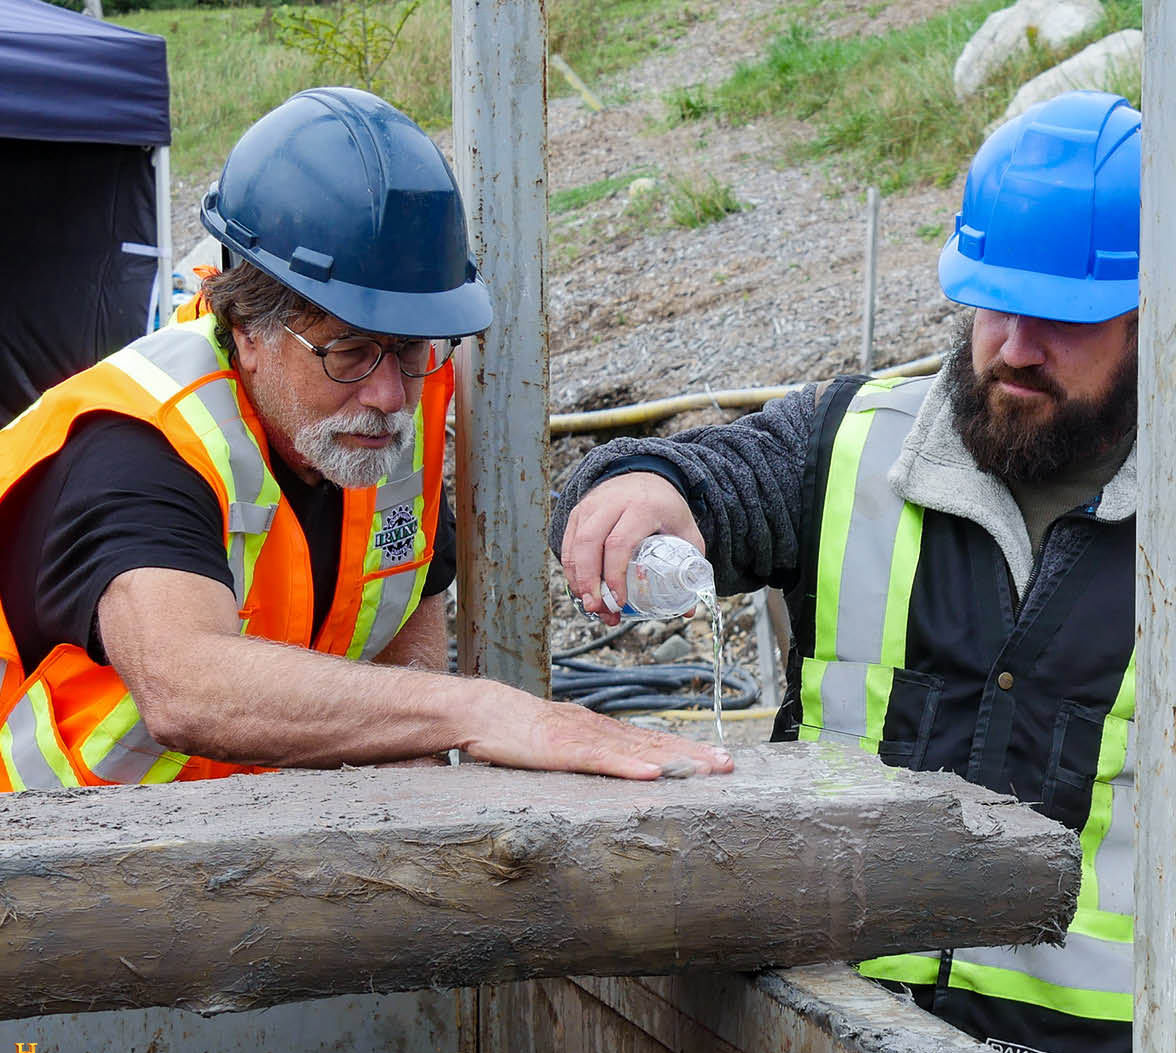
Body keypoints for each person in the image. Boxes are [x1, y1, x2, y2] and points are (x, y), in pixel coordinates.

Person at [555, 90, 1176, 1053]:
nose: (1016, 346)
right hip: (824, 1029)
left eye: (1063, 319)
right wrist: (640, 486)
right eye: (995, 303)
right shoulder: (849, 444)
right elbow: (713, 481)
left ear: (1158, 316)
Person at [0, 87, 731, 790]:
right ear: (248, 328)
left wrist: (404, 758)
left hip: (243, 852)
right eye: (346, 353)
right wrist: (474, 711)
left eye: (412, 350)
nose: (389, 397)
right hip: (53, 871)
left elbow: (406, 593)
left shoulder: (395, 403)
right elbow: (184, 686)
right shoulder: (138, 443)